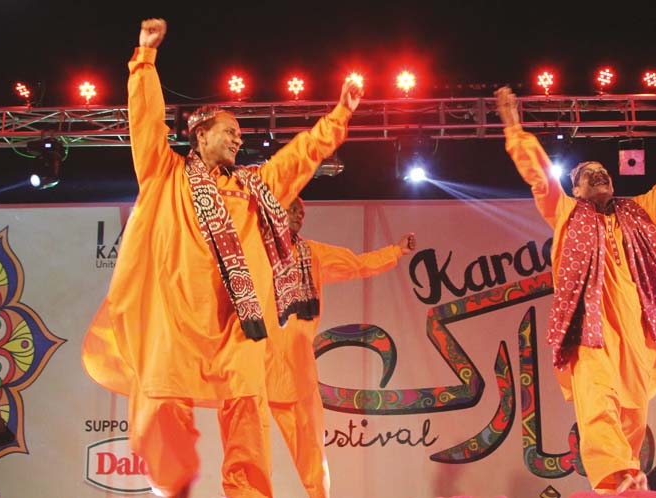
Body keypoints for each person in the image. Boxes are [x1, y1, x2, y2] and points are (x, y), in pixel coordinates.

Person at [81, 18, 363, 498]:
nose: (237, 138)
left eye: (239, 134)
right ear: (200, 134)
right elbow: (144, 121)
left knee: (249, 415)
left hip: (240, 326)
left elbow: (301, 155)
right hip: (178, 322)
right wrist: (144, 60)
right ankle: (170, 488)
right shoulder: (165, 174)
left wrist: (340, 114)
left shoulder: (255, 187)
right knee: (166, 421)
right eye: (229, 131)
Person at [496, 85, 656, 493]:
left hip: (636, 332)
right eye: (588, 174)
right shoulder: (566, 213)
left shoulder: (641, 211)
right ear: (576, 188)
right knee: (597, 401)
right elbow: (537, 175)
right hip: (588, 331)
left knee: (634, 411)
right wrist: (514, 127)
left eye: (603, 171)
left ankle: (625, 481)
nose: (598, 175)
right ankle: (616, 475)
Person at [265, 197, 415, 498]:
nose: (298, 216)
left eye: (301, 212)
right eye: (291, 209)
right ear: (274, 212)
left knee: (310, 448)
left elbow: (357, 264)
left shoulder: (313, 255)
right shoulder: (254, 251)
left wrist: (396, 251)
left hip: (296, 365)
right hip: (255, 361)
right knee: (249, 446)